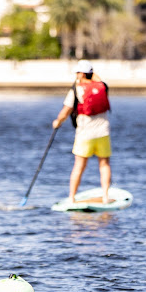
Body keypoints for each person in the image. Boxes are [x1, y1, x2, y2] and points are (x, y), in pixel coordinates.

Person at [52, 59, 112, 204]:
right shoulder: (102, 87)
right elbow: (99, 80)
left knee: (79, 166)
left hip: (85, 134)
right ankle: (105, 196)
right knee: (104, 164)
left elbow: (66, 111)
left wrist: (57, 122)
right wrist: (89, 74)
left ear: (80, 73)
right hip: (103, 133)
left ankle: (72, 197)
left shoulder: (76, 90)